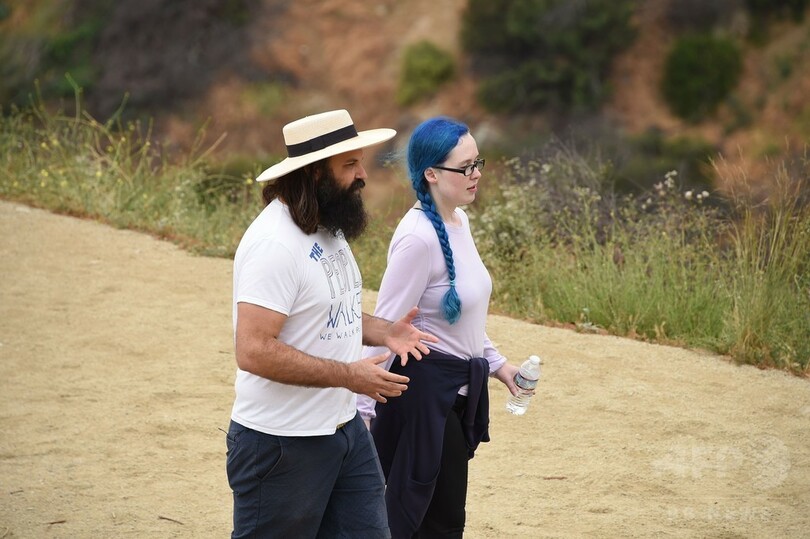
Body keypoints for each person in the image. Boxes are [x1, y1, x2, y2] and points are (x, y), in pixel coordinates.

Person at [227, 109, 438, 539]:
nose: (363, 174)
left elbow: (323, 311)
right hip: (282, 444)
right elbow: (253, 350)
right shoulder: (274, 245)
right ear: (314, 173)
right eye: (349, 164)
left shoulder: (327, 223)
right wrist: (350, 376)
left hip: (344, 431)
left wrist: (385, 331)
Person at [357, 116, 521, 538]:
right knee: (427, 522)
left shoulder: (459, 221)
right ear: (431, 173)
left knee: (440, 520)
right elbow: (384, 326)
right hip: (422, 398)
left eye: (477, 162)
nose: (476, 173)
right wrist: (363, 414)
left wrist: (499, 367)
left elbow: (462, 317)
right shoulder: (418, 239)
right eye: (465, 167)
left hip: (455, 394)